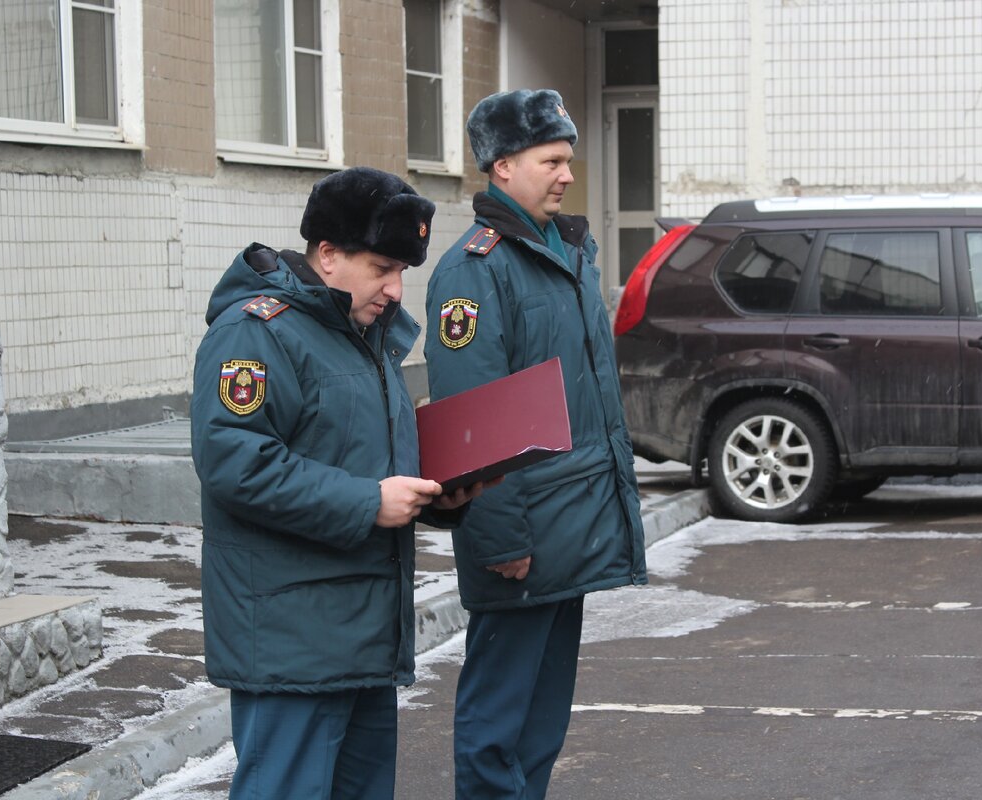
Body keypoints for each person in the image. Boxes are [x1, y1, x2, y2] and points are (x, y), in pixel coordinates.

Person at [191, 166, 486, 800]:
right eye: (382, 267)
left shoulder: (359, 338)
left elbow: (361, 457)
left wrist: (439, 497)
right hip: (292, 639)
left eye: (403, 271)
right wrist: (367, 503)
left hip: (361, 636)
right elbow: (234, 462)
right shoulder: (257, 332)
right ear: (327, 255)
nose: (395, 288)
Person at [424, 89, 649, 799]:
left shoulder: (564, 251)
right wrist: (497, 540)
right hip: (519, 537)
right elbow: (470, 424)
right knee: (498, 724)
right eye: (552, 160)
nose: (567, 175)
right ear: (502, 167)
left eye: (567, 160)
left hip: (567, 525)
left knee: (542, 723)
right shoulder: (475, 271)